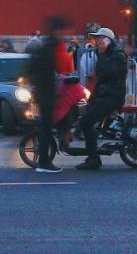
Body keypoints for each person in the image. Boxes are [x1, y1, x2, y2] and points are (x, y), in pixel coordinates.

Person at [75, 27, 127, 171]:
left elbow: (111, 73)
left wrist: (102, 56)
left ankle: (93, 159)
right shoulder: (103, 55)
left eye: (99, 39)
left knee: (87, 122)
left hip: (112, 97)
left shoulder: (118, 55)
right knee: (82, 115)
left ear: (108, 41)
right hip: (102, 95)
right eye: (96, 39)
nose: (96, 42)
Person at [23, 35, 63, 172]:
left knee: (44, 126)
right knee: (46, 127)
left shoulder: (33, 60)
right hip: (46, 96)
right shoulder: (43, 59)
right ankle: (44, 162)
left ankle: (43, 160)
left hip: (40, 95)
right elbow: (52, 78)